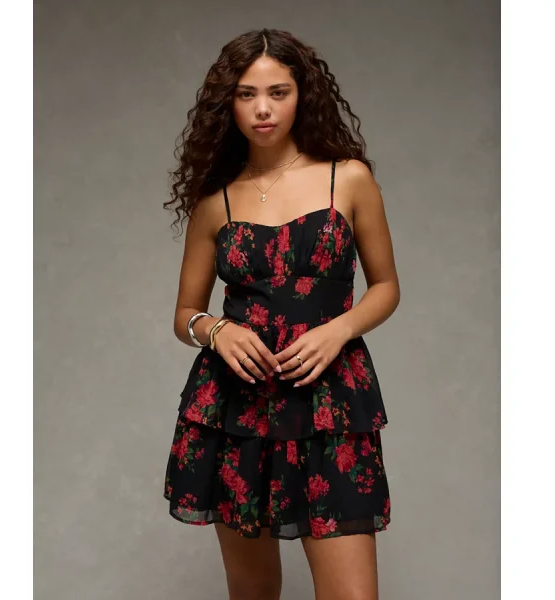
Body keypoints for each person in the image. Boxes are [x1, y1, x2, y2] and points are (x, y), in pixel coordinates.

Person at [162, 28, 400, 600]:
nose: (263, 108)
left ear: (302, 95)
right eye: (246, 94)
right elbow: (185, 313)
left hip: (330, 401)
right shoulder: (215, 199)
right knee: (253, 590)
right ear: (229, 103)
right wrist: (216, 330)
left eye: (278, 92)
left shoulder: (349, 178)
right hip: (236, 406)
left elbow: (386, 286)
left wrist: (339, 331)